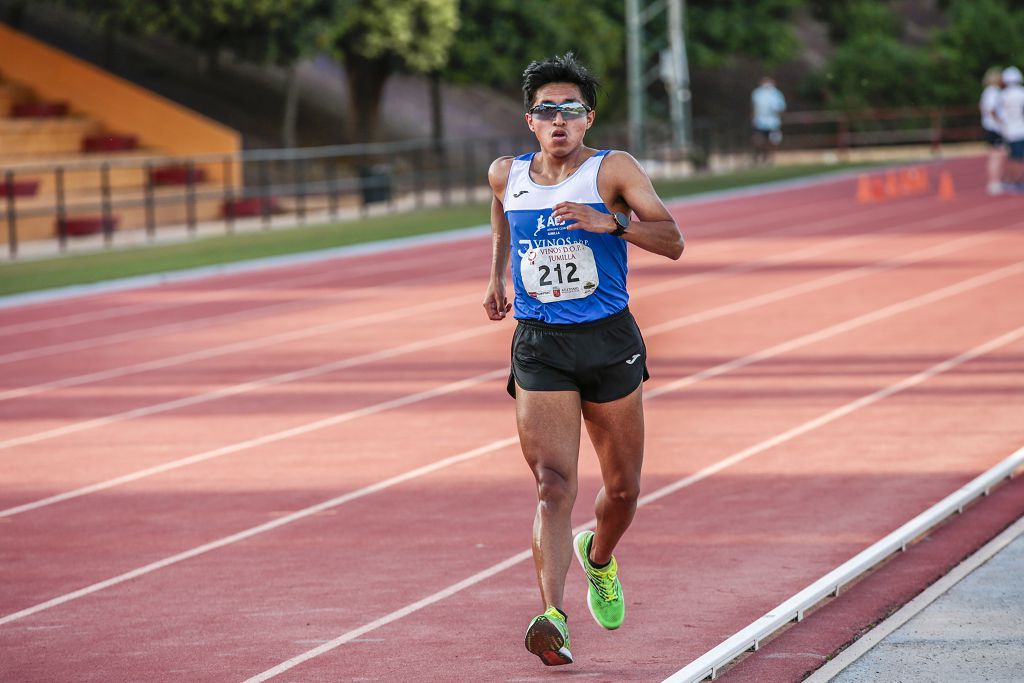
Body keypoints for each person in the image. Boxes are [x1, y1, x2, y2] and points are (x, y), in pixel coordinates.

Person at [482, 53, 685, 667]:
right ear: (531, 121)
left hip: (608, 341)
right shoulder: (505, 174)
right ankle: (552, 617)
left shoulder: (612, 170)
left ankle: (599, 555)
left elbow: (672, 240)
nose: (560, 119)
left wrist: (610, 222)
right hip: (540, 343)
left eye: (571, 109)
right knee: (552, 484)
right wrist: (496, 276)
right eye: (548, 110)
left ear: (588, 119)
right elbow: (500, 217)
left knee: (622, 490)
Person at [997, 66, 1024, 193]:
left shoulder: (1003, 94)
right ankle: (1013, 181)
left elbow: (997, 112)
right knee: (1017, 158)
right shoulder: (1021, 93)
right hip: (1020, 129)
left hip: (1008, 130)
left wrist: (1002, 123)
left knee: (1013, 157)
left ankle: (1011, 180)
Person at [980, 67, 1006, 195]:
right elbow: (991, 110)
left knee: (996, 155)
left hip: (990, 126)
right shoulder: (993, 91)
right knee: (996, 156)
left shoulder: (988, 91)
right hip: (994, 127)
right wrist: (1001, 121)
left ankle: (995, 182)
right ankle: (994, 182)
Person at [751, 76, 787, 164]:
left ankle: (771, 159)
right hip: (760, 121)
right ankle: (759, 157)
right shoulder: (757, 93)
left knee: (773, 141)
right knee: (758, 140)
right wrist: (753, 118)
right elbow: (754, 107)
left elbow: (781, 108)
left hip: (773, 122)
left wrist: (778, 116)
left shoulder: (777, 94)